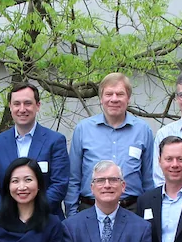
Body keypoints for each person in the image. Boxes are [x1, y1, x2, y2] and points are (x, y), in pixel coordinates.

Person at [66, 73, 155, 215]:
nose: (114, 99)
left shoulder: (143, 130)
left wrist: (150, 215)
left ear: (128, 99)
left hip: (132, 210)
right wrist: (71, 215)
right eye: (109, 94)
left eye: (120, 94)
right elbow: (73, 178)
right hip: (90, 210)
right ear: (101, 98)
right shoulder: (83, 129)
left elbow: (149, 179)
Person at [0, 83, 70, 215]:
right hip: (7, 225)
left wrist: (31, 214)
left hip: (46, 222)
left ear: (38, 106)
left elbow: (59, 185)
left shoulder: (55, 141)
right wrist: (9, 215)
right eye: (17, 104)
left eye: (27, 103)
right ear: (10, 107)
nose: (22, 109)